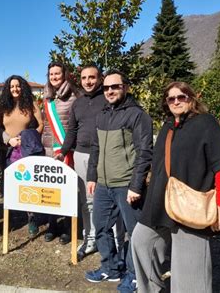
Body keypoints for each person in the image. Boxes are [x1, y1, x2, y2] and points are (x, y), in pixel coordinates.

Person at [131, 81, 220, 293]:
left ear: (191, 99)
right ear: (166, 103)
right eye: (171, 98)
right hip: (158, 203)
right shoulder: (168, 127)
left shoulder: (206, 124)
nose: (176, 101)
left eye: (182, 97)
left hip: (190, 205)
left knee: (188, 274)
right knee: (141, 242)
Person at [85, 69, 153, 292]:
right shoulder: (102, 115)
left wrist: (136, 185)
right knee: (101, 227)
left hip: (126, 185)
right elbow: (96, 148)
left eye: (115, 86)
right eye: (106, 87)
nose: (110, 91)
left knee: (134, 232)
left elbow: (145, 152)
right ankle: (110, 268)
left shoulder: (137, 115)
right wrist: (92, 176)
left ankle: (135, 276)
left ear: (125, 88)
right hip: (103, 184)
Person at [54, 64, 125, 261]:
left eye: (92, 77)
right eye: (84, 78)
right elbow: (72, 131)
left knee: (114, 200)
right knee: (87, 201)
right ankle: (91, 238)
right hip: (82, 156)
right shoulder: (78, 103)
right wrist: (64, 151)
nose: (88, 81)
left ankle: (118, 242)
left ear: (100, 78)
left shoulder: (108, 98)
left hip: (108, 156)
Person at [0, 75, 44, 238]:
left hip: (27, 151)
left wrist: (28, 138)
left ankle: (32, 219)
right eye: (12, 86)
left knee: (29, 184)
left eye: (18, 86)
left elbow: (41, 124)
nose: (15, 89)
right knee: (12, 185)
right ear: (8, 89)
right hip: (8, 152)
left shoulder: (31, 104)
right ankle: (11, 219)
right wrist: (9, 140)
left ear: (23, 87)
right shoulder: (1, 107)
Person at [42, 61, 79, 244]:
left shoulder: (74, 96)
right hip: (48, 149)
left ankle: (67, 227)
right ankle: (52, 225)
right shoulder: (46, 97)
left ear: (64, 75)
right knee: (51, 189)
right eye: (51, 74)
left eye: (57, 73)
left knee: (67, 190)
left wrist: (69, 148)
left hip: (66, 150)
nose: (54, 77)